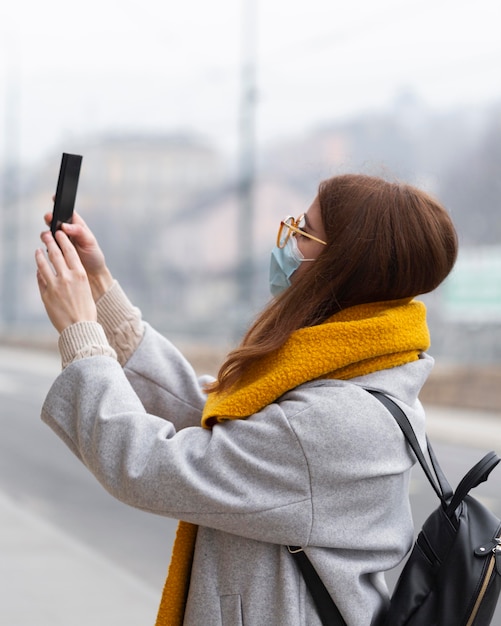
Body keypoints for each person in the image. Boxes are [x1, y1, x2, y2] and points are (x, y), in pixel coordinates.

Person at [35, 173, 458, 626]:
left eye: (305, 232)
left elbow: (151, 466)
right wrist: (99, 288)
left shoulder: (337, 421)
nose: (288, 240)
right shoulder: (357, 373)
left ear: (346, 268)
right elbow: (215, 414)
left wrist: (82, 335)